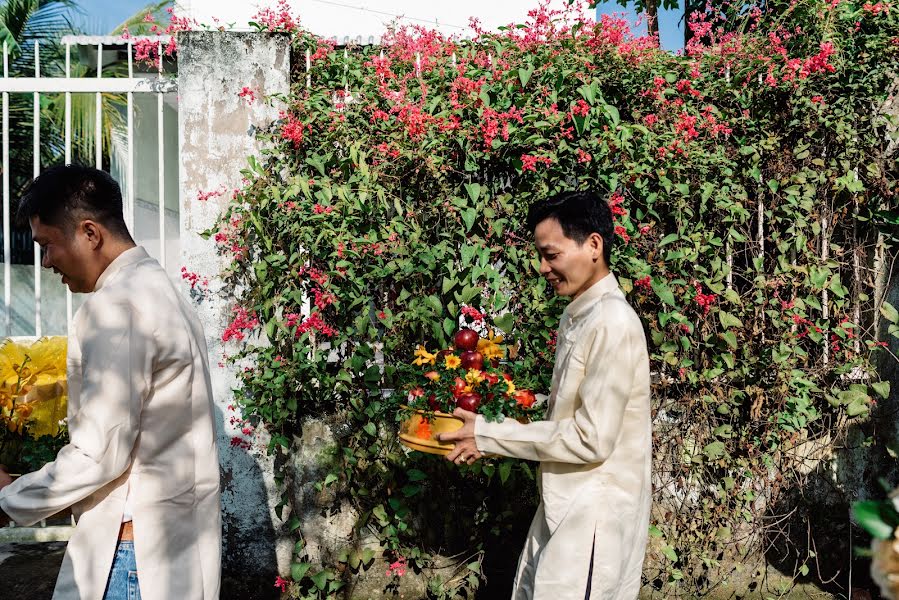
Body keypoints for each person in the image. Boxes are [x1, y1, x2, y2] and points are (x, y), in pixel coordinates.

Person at [0, 165, 222, 600]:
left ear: (89, 233)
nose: (46, 263)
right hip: (166, 548)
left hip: (130, 558)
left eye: (47, 245)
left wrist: (9, 500)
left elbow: (99, 455)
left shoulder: (117, 308)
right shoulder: (162, 292)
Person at [439, 190, 652, 600]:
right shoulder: (582, 314)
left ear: (593, 245)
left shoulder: (612, 322)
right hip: (565, 505)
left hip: (593, 521)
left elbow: (591, 438)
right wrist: (507, 409)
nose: (542, 267)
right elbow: (570, 413)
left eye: (551, 255)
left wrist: (488, 435)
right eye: (540, 255)